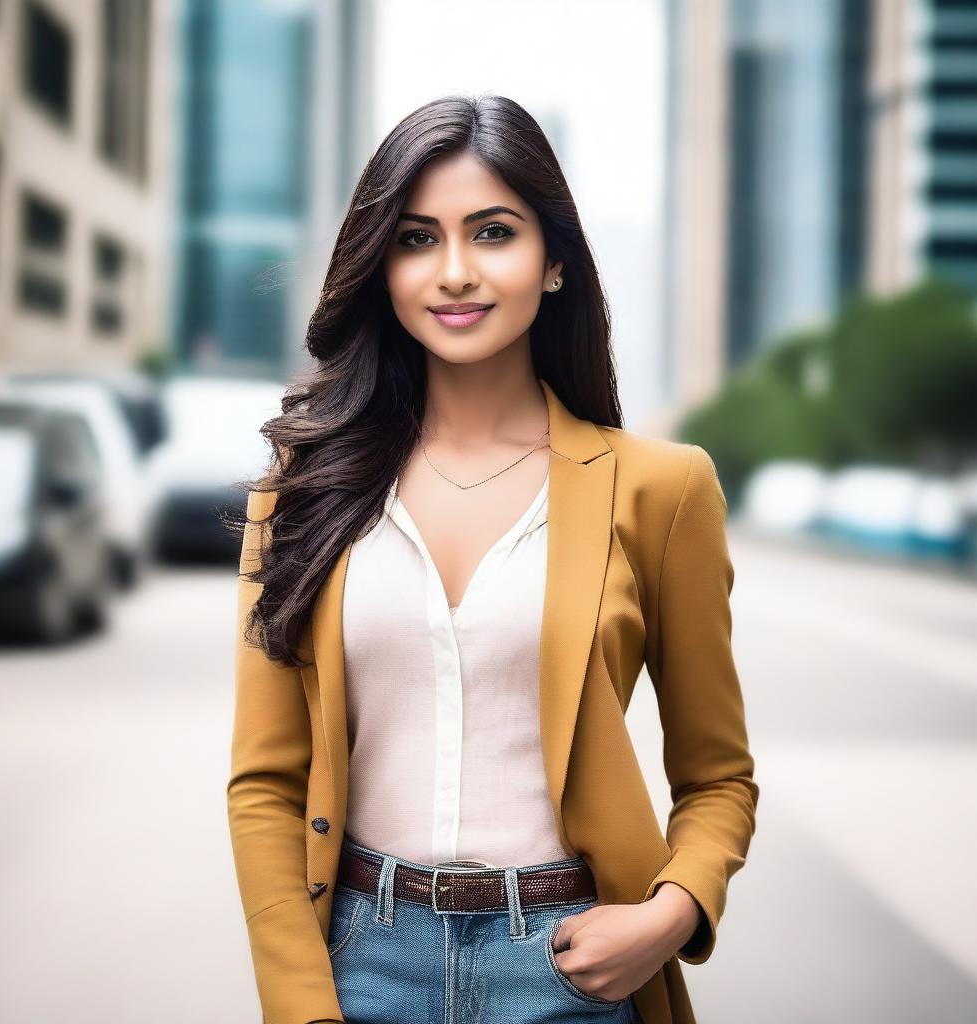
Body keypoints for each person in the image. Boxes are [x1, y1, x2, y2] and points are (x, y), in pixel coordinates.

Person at [227, 94, 759, 1024]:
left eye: (494, 233)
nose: (456, 272)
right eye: (418, 238)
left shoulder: (662, 489)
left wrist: (670, 917)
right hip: (359, 960)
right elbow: (266, 782)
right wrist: (302, 1006)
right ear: (382, 266)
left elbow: (717, 779)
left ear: (554, 262)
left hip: (571, 966)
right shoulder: (302, 487)